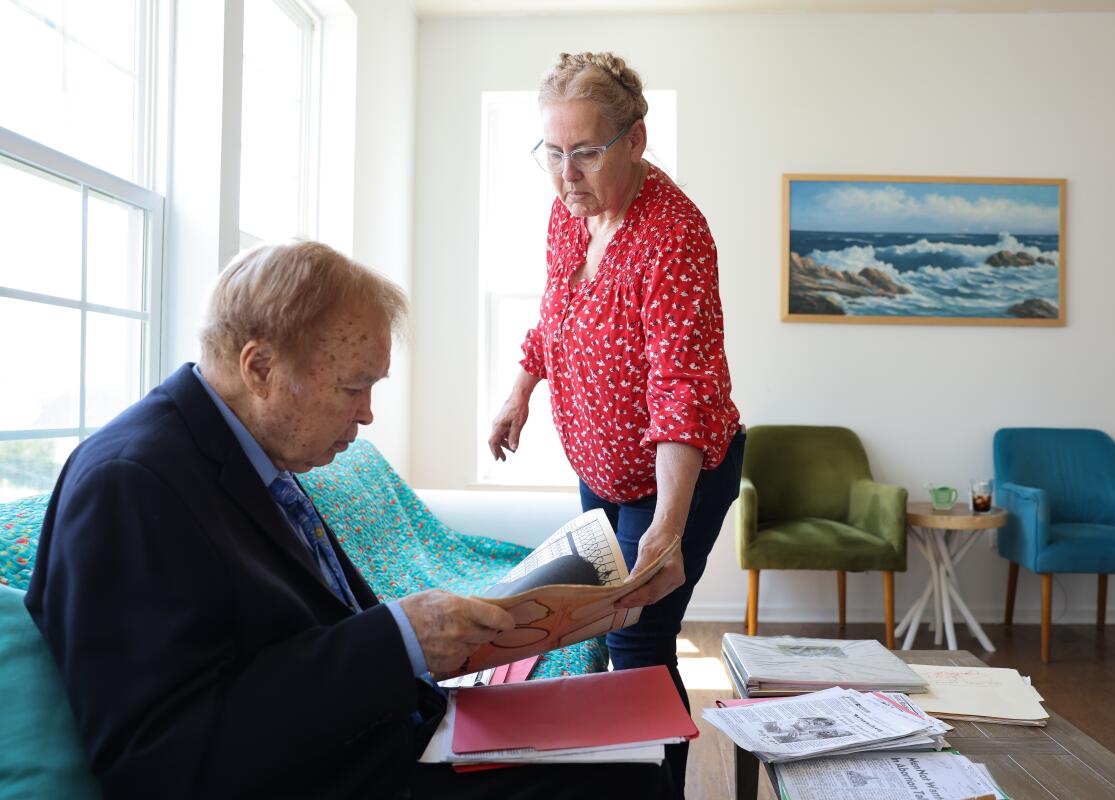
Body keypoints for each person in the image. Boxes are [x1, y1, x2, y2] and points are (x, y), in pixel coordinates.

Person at [25, 241, 673, 799]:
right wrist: (398, 641)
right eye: (353, 387)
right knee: (623, 774)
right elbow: (159, 759)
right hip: (333, 779)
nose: (366, 415)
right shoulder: (130, 485)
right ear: (260, 367)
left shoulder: (246, 454)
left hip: (373, 738)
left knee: (629, 744)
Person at [488, 52, 744, 795]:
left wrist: (666, 531)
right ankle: (609, 780)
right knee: (605, 633)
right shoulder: (569, 214)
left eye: (587, 152)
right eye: (553, 153)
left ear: (635, 139)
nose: (566, 174)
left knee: (638, 639)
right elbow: (553, 316)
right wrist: (522, 388)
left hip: (674, 471)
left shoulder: (675, 236)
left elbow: (683, 392)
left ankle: (659, 789)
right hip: (600, 470)